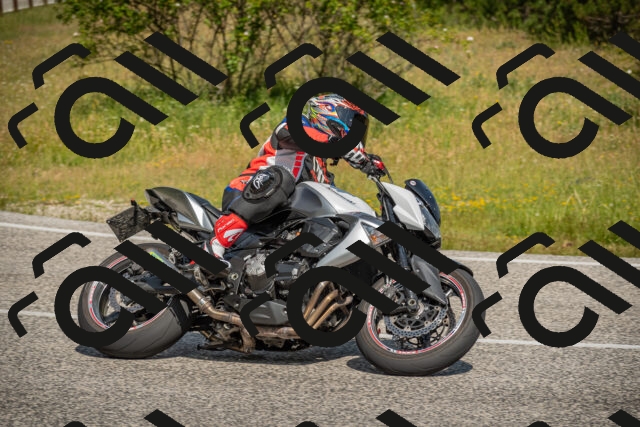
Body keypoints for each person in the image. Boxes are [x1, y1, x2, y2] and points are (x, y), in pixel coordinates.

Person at [204, 94, 371, 265]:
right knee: (282, 178)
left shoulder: (320, 169)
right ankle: (214, 243)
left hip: (277, 217)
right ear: (327, 112)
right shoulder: (299, 125)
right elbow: (289, 133)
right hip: (246, 193)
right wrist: (334, 142)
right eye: (351, 122)